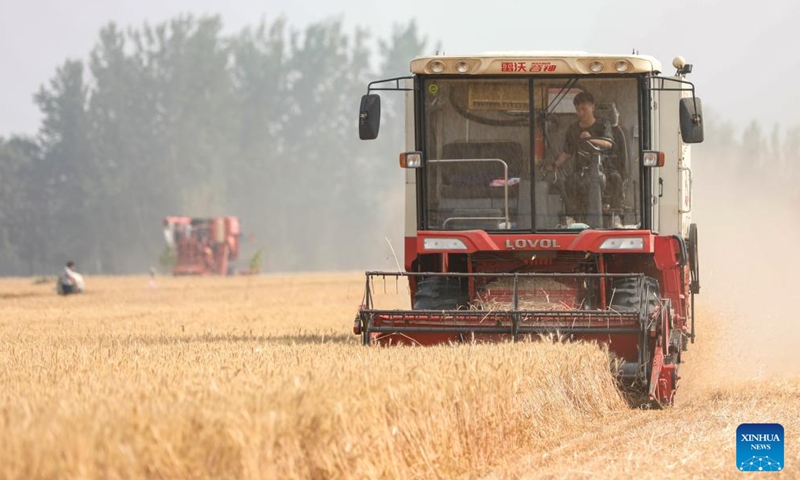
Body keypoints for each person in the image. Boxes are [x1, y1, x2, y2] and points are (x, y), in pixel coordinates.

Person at [546, 91, 622, 219]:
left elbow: (608, 143)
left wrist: (590, 139)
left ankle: (617, 217)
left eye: (583, 109)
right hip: (581, 171)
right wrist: (554, 165)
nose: (580, 113)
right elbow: (567, 153)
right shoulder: (573, 129)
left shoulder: (603, 124)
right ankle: (574, 218)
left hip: (604, 169)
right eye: (577, 109)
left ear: (593, 107)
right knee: (569, 183)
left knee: (616, 178)